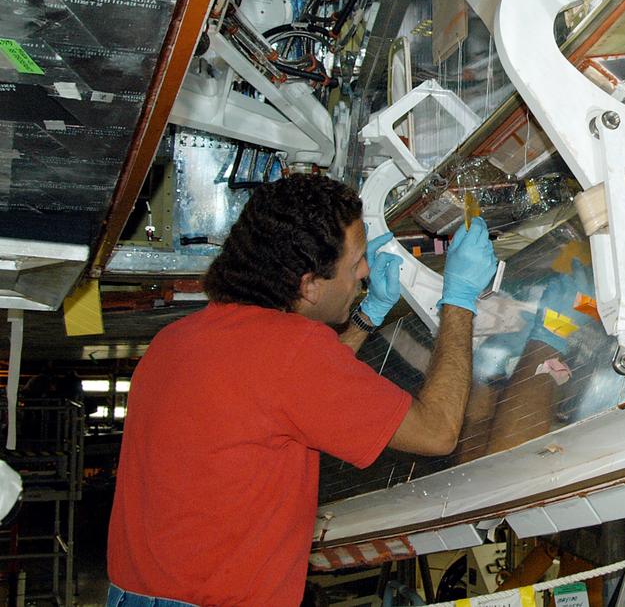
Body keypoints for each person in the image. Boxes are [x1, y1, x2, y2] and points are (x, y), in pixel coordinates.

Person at [107, 174, 498, 606]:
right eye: (356, 265)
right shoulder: (293, 354)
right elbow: (438, 431)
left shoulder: (178, 340)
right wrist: (459, 300)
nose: (365, 272)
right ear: (308, 285)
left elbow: (300, 398)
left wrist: (368, 317)